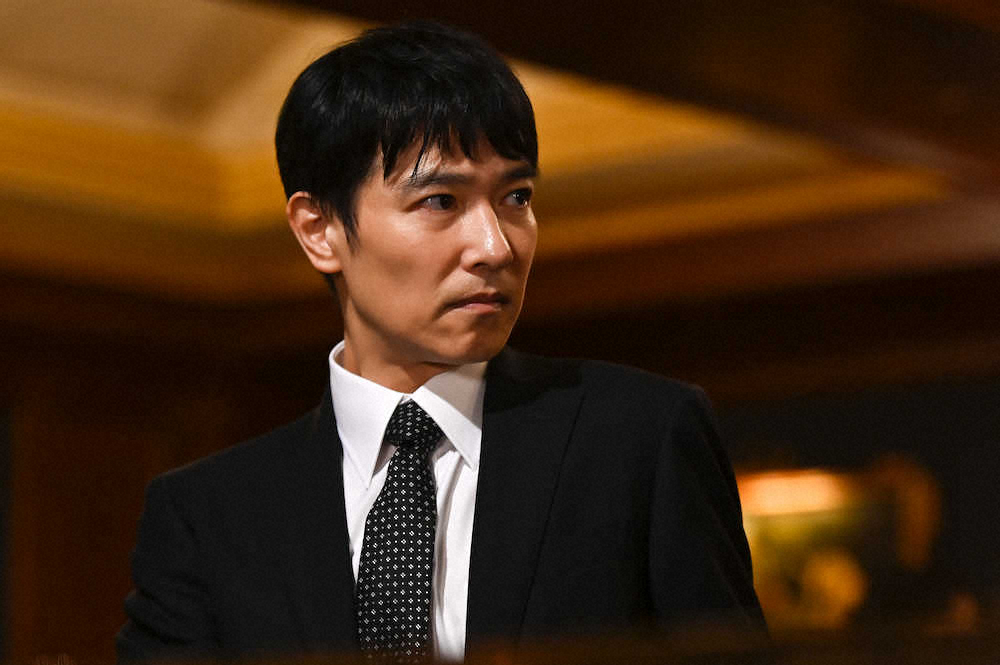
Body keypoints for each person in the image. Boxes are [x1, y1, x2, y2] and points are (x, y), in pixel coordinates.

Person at [117, 21, 765, 663]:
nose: (495, 246)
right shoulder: (210, 515)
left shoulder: (637, 438)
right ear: (319, 230)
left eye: (516, 197)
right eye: (440, 201)